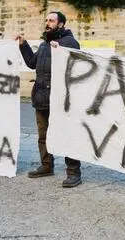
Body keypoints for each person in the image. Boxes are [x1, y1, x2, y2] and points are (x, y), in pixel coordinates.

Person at [15, 11, 82, 188]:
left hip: (60, 99)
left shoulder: (69, 42)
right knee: (43, 135)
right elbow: (32, 62)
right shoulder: (45, 44)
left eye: (51, 20)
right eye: (46, 20)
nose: (47, 23)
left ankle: (74, 173)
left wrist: (60, 51)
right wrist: (23, 45)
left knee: (66, 135)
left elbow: (76, 66)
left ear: (60, 24)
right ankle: (46, 166)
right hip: (41, 97)